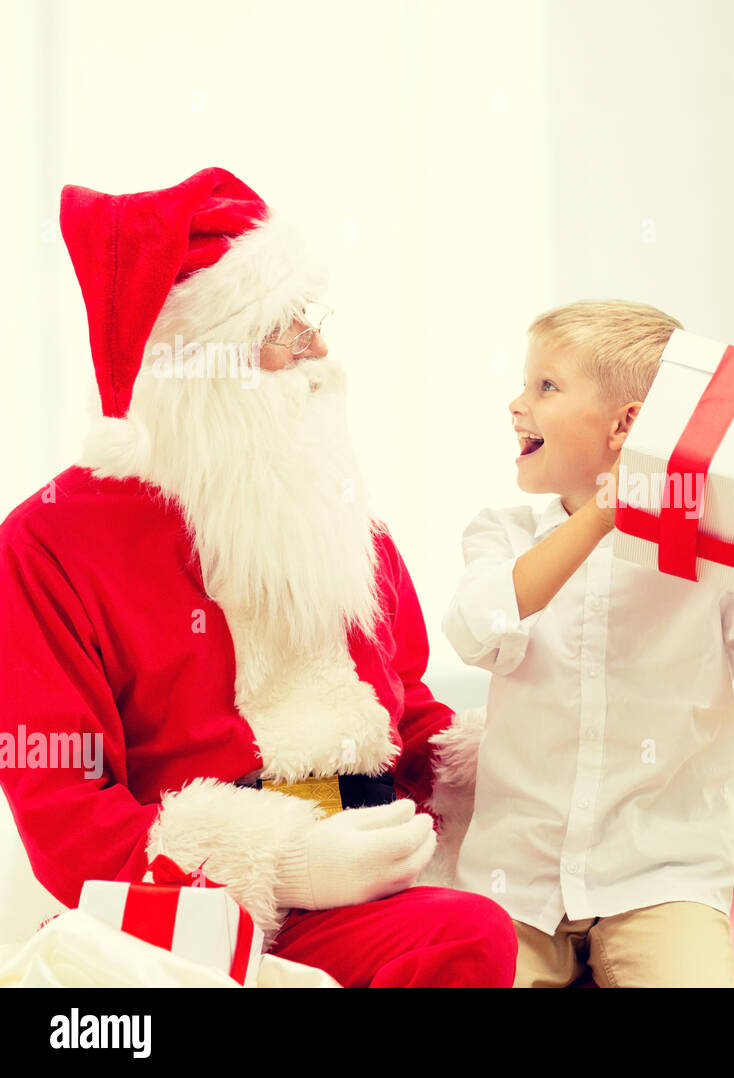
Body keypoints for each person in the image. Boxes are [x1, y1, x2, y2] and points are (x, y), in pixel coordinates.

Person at [0, 167, 517, 988]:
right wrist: (287, 863)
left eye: (313, 321)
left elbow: (407, 714)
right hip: (191, 924)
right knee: (467, 938)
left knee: (489, 930)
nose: (319, 352)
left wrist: (514, 756)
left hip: (380, 893)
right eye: (285, 328)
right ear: (201, 364)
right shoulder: (47, 543)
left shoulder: (338, 518)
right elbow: (69, 819)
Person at [441, 299, 734, 987]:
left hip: (663, 879)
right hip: (516, 883)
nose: (517, 404)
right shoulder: (504, 532)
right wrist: (606, 509)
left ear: (627, 426)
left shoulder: (718, 561)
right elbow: (476, 630)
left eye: (546, 386)